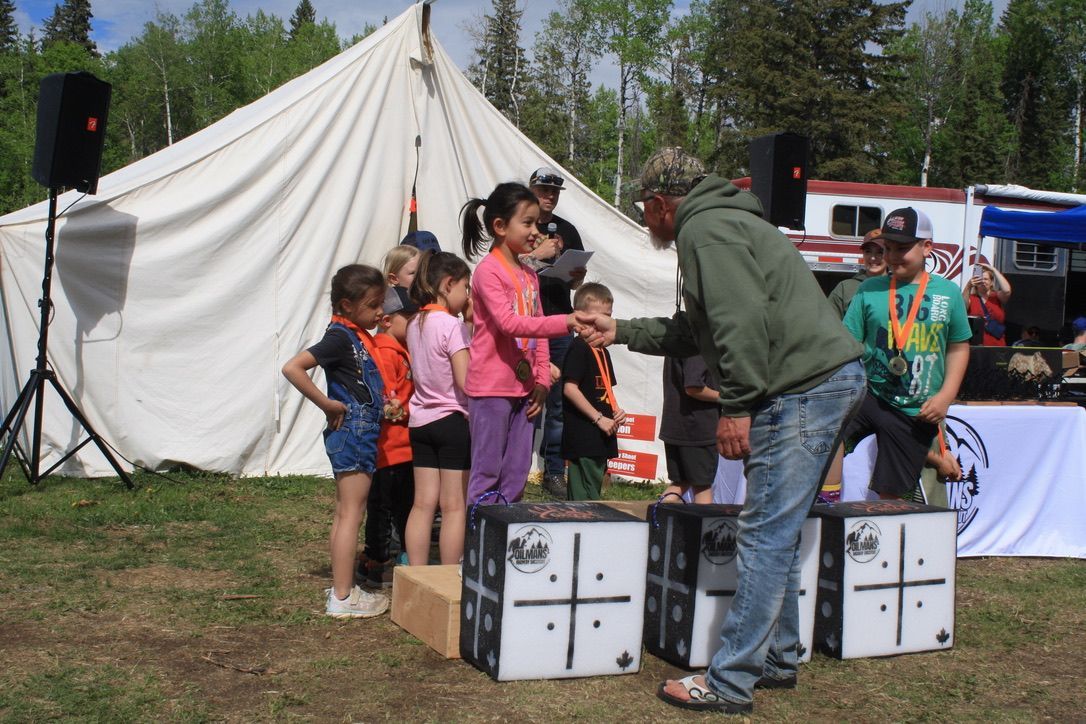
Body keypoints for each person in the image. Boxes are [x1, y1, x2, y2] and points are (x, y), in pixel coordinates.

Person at [583, 148, 865, 714]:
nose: (645, 222)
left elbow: (740, 324)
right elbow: (699, 327)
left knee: (762, 533)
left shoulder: (705, 231)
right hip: (818, 380)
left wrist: (735, 407)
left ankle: (731, 681)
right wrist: (623, 330)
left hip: (802, 386)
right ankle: (779, 659)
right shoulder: (725, 220)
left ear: (661, 204)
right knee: (777, 530)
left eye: (644, 210)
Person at [461, 182, 595, 505]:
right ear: (500, 226)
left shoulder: (530, 275)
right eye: (528, 223)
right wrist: (566, 320)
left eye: (538, 223)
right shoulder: (488, 272)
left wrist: (540, 381)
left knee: (517, 473)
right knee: (486, 474)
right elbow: (509, 324)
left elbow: (538, 333)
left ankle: (506, 545)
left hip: (526, 391)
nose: (537, 231)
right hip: (491, 389)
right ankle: (479, 550)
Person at [281, 264, 390, 618]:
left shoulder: (353, 334)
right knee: (351, 514)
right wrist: (325, 402)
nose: (380, 312)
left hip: (358, 429)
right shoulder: (339, 337)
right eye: (373, 306)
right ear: (346, 304)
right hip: (354, 431)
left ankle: (342, 587)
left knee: (347, 513)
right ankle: (343, 597)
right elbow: (293, 367)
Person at [842, 207, 972, 501]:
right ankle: (826, 503)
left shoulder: (948, 293)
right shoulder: (868, 290)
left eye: (902, 248)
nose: (893, 256)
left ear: (927, 247)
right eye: (888, 249)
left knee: (898, 492)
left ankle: (895, 535)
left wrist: (945, 397)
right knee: (825, 429)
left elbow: (958, 346)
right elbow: (846, 344)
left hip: (919, 407)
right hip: (872, 394)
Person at [404, 252, 473, 566]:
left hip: (420, 421)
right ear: (448, 285)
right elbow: (465, 380)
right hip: (451, 421)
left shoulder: (414, 322)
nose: (468, 295)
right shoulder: (452, 326)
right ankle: (447, 578)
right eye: (465, 287)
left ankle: (417, 575)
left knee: (422, 504)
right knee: (454, 505)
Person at [527, 167, 588, 498]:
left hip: (560, 321)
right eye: (543, 189)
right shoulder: (520, 224)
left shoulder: (567, 229)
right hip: (526, 323)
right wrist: (538, 254)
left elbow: (576, 280)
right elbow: (506, 265)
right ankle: (517, 462)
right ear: (532, 189)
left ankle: (553, 471)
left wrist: (576, 274)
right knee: (522, 392)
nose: (549, 195)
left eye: (554, 191)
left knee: (558, 400)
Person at [357, 286, 418, 587]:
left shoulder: (403, 350)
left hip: (405, 447)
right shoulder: (383, 352)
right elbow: (387, 403)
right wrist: (410, 409)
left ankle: (404, 556)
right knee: (381, 507)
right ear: (387, 320)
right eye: (409, 316)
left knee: (405, 505)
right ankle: (376, 560)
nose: (415, 321)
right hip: (386, 449)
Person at [561, 283, 624, 500]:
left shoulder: (602, 351)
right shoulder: (579, 348)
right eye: (598, 318)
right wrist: (598, 418)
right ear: (579, 317)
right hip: (584, 435)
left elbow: (604, 390)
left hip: (601, 435)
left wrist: (616, 411)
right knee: (585, 499)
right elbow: (569, 388)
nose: (603, 324)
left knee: (593, 489)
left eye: (608, 317)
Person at [659, 352, 719, 504]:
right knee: (702, 487)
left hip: (677, 425)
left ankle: (657, 520)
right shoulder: (697, 345)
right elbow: (694, 387)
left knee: (681, 482)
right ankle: (701, 528)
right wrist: (727, 397)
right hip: (697, 428)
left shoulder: (676, 340)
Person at [826, 228, 887, 318]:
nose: (873, 258)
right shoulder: (845, 289)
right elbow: (829, 323)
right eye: (868, 252)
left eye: (880, 252)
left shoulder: (898, 287)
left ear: (889, 254)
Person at [963, 262, 1012, 346]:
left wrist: (993, 270)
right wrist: (968, 286)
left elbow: (1007, 290)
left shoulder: (997, 297)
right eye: (980, 279)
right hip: (976, 346)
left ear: (991, 282)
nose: (982, 281)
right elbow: (962, 306)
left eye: (985, 279)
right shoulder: (971, 298)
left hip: (997, 345)